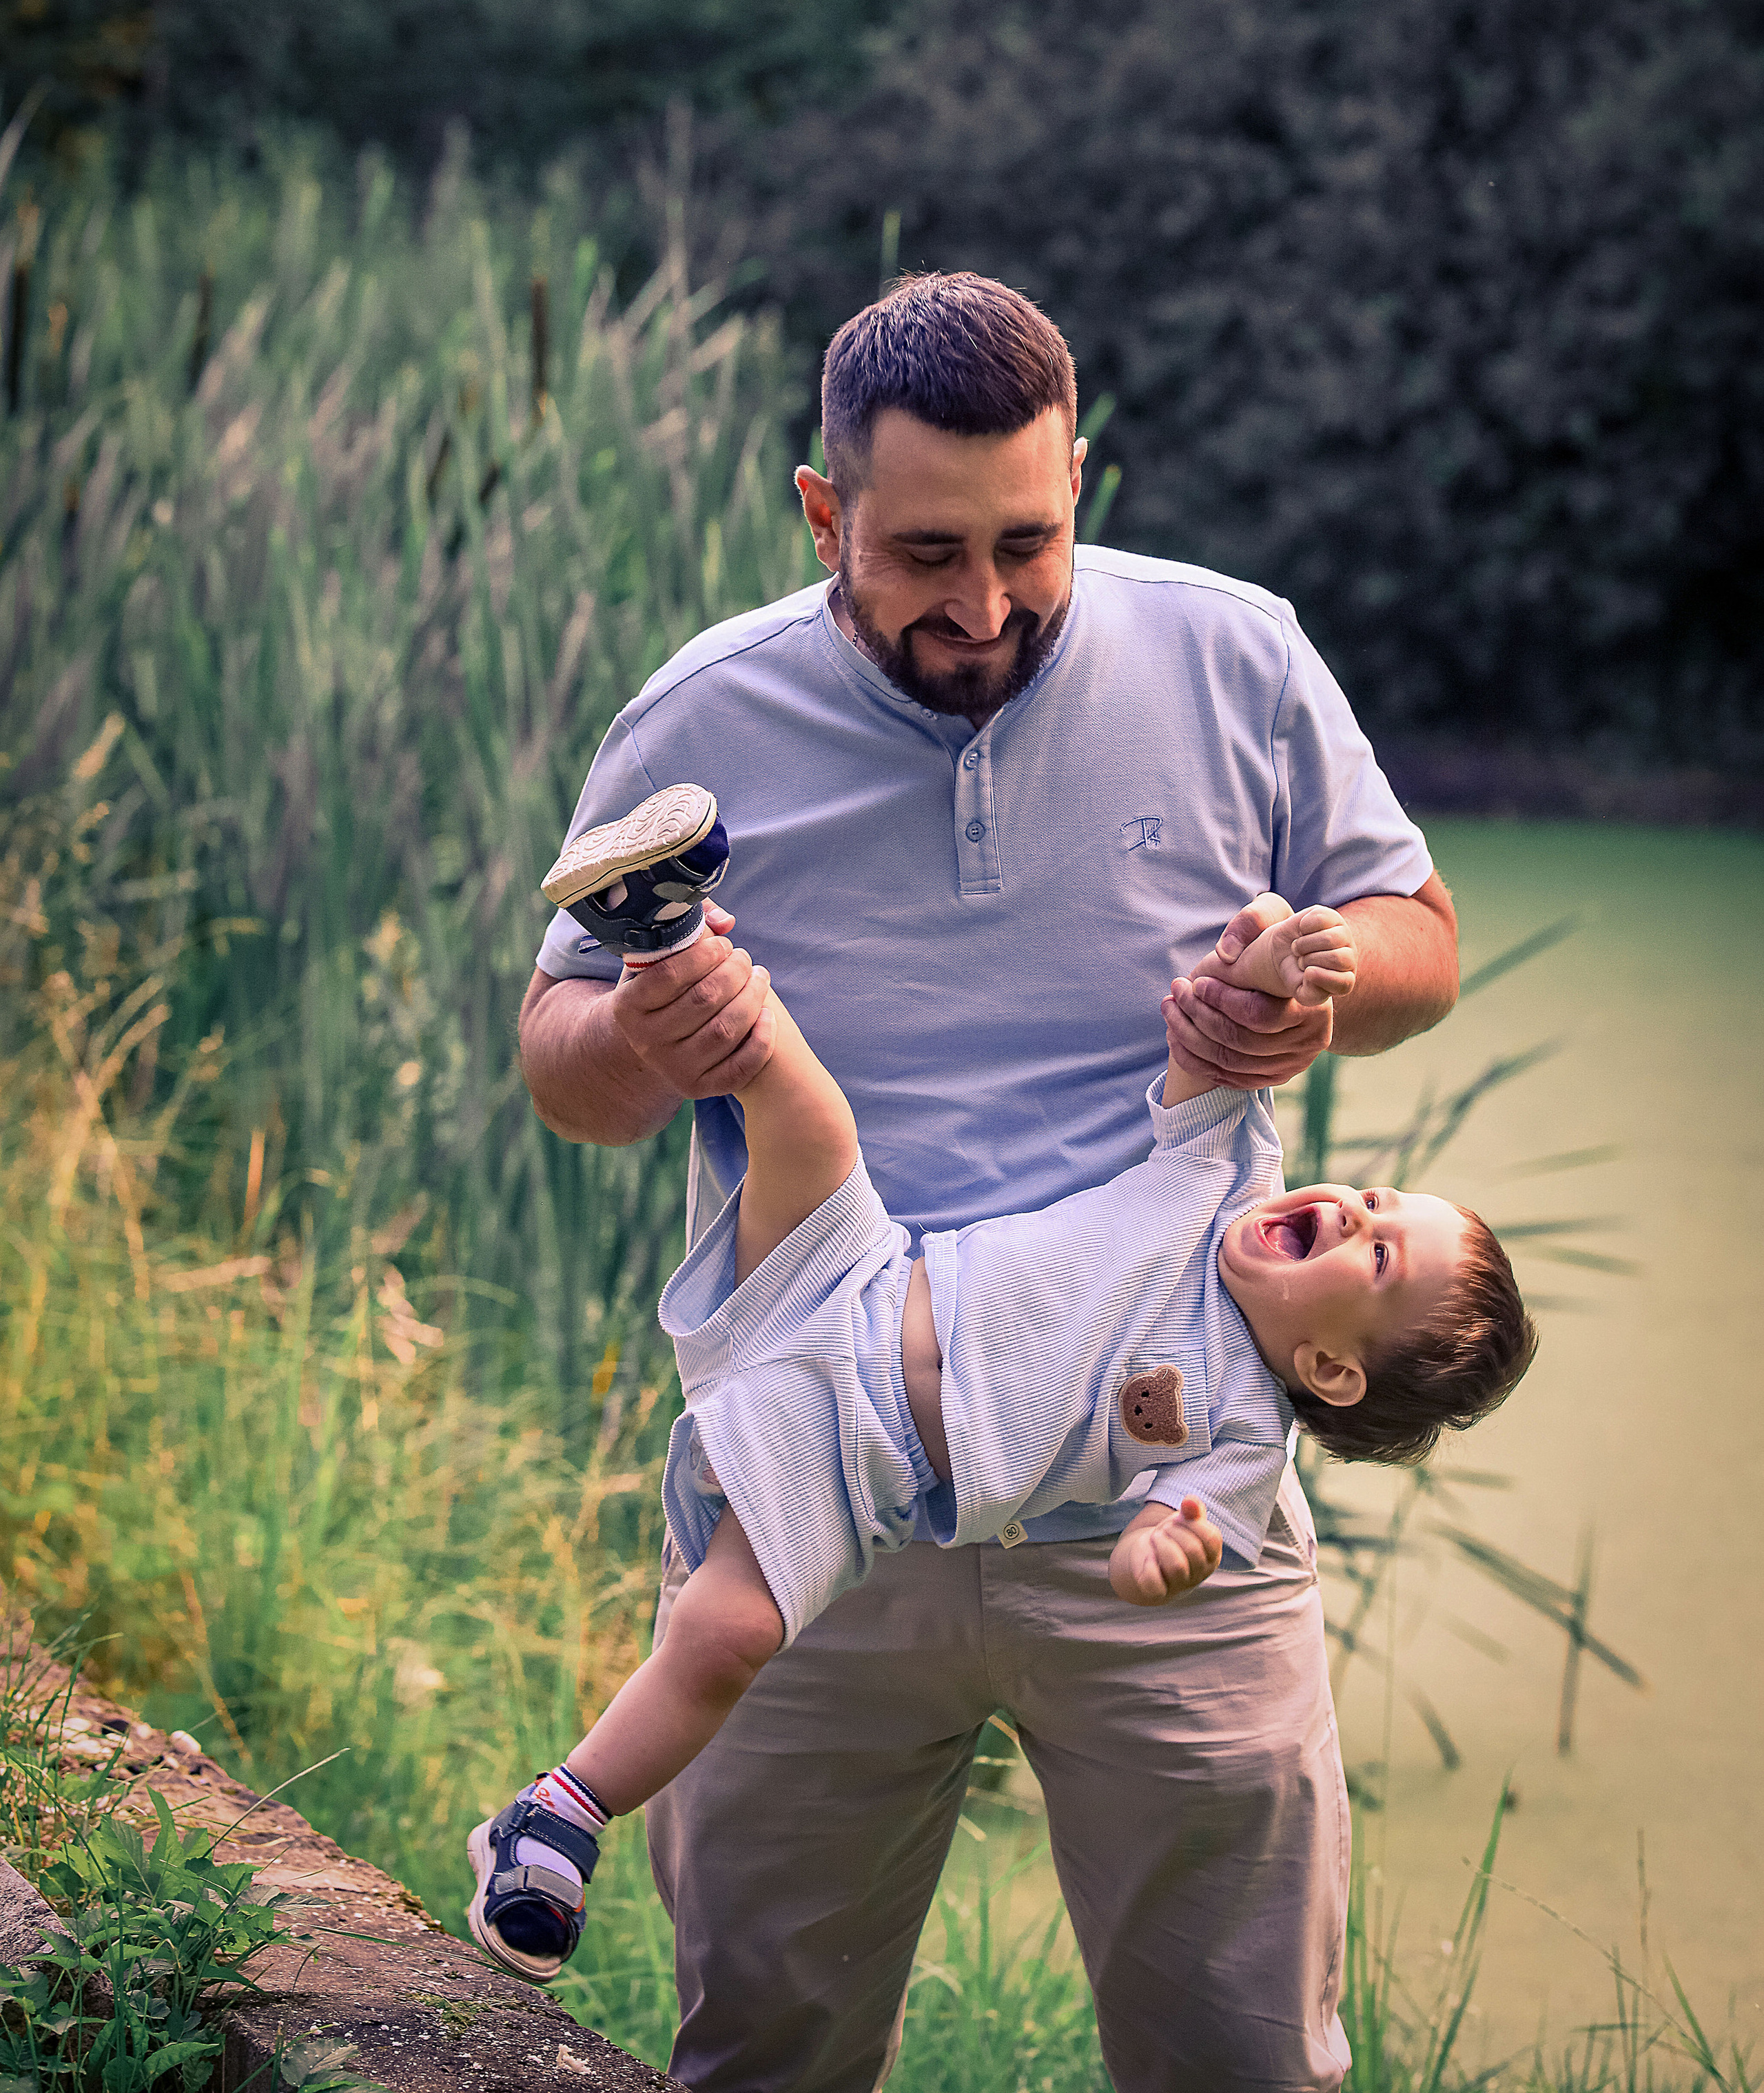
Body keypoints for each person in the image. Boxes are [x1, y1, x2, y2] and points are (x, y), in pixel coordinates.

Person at [517, 273, 1464, 2093]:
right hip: (817, 1502)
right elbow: (565, 1073)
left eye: (1029, 542)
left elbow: (1417, 938)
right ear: (823, 512)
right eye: (925, 554)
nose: (983, 605)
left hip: (1169, 1504)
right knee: (767, 2053)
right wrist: (649, 1033)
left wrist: (1314, 997)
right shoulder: (697, 718)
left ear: (1079, 479)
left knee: (1245, 2064)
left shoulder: (1238, 657)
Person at [469, 806, 1532, 1987]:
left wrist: (1160, 1556)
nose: (1352, 1211)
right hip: (848, 1276)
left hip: (848, 1462)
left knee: (729, 1636)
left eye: (1377, 1257)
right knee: (801, 1107)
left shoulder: (1240, 1431)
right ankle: (664, 927)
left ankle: (553, 1822)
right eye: (1379, 1199)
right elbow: (1225, 1010)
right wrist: (1277, 959)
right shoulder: (1228, 1172)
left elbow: (1172, 1534)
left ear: (1333, 1370)